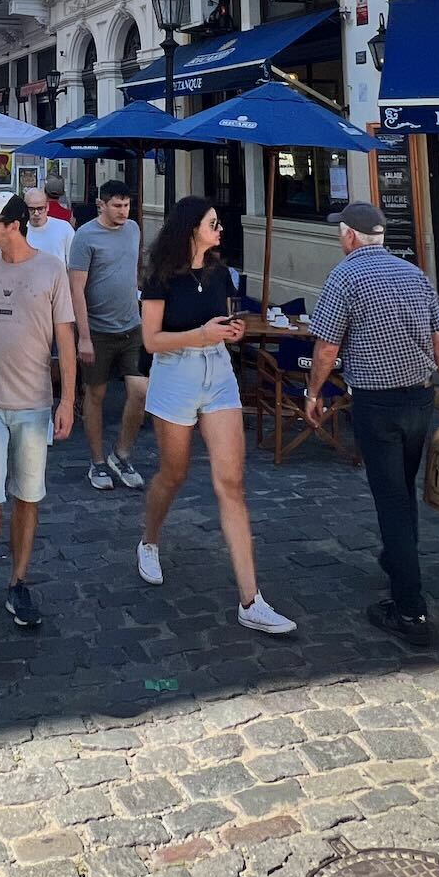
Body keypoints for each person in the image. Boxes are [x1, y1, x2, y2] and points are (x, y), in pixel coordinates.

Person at [133, 196, 296, 634]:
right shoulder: (160, 276)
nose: (220, 229)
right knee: (174, 473)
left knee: (232, 483)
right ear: (191, 228)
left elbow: (224, 319)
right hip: (175, 374)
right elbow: (151, 341)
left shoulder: (221, 272)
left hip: (218, 371)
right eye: (213, 223)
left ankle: (251, 599)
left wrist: (231, 330)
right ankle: (150, 539)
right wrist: (198, 334)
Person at [305, 201, 439, 645]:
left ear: (351, 236)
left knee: (391, 497)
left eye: (341, 232)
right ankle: (398, 561)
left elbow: (326, 350)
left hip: (377, 403)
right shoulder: (413, 274)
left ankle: (409, 608)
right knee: (402, 491)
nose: (341, 238)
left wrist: (313, 393)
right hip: (418, 398)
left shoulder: (346, 276)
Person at [0, 194, 77, 629]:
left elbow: (66, 338)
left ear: (15, 225)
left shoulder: (50, 269)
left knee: (28, 495)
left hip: (33, 403)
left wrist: (67, 400)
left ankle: (17, 581)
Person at [69, 181, 147, 492]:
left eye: (127, 205)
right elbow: (76, 288)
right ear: (102, 205)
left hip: (131, 326)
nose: (123, 212)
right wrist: (83, 336)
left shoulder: (133, 230)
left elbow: (134, 269)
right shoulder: (85, 236)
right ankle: (97, 460)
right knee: (96, 395)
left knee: (140, 391)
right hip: (98, 330)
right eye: (117, 205)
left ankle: (122, 454)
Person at [24, 187, 76, 266]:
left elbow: (73, 263)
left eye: (40, 208)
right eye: (31, 209)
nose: (36, 213)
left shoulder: (64, 228)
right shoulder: (18, 231)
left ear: (47, 207)